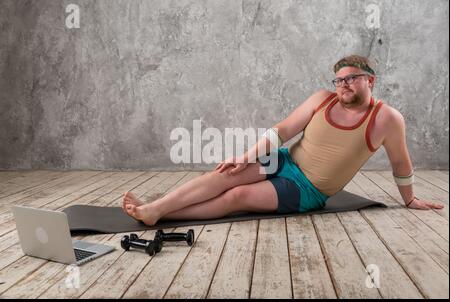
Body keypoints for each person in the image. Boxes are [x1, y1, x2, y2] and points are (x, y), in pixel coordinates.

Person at [122, 55, 444, 226]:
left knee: (237, 197)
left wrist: (409, 198)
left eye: (352, 78)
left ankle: (158, 214)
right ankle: (155, 208)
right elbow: (282, 131)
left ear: (370, 81)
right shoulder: (322, 98)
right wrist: (245, 156)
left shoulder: (387, 119)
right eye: (339, 79)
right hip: (285, 160)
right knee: (223, 175)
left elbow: (401, 162)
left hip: (307, 189)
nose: (343, 84)